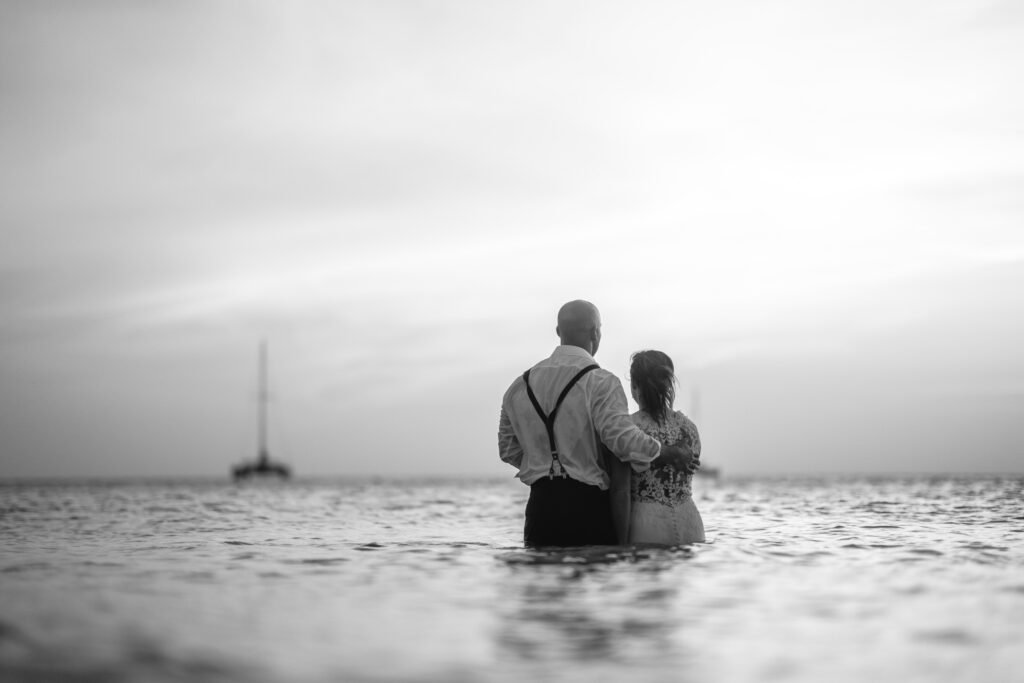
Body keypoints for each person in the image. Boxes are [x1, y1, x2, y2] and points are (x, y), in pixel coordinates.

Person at [498, 300, 699, 547]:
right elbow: (623, 440)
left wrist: (544, 464)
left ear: (559, 332)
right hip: (588, 507)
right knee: (592, 582)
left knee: (544, 583)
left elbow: (507, 449)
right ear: (595, 332)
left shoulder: (518, 387)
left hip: (540, 510)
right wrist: (668, 453)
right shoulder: (601, 382)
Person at [625, 350, 706, 545]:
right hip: (690, 523)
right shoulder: (689, 429)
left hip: (647, 523)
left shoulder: (629, 429)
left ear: (635, 385)